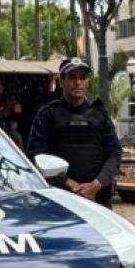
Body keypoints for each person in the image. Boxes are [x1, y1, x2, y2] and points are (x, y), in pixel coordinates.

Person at [26, 57, 122, 208]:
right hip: (60, 199)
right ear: (61, 81)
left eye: (82, 77)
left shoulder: (100, 115)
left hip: (97, 199)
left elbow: (115, 154)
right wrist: (69, 184)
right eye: (72, 77)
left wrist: (96, 184)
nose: (78, 83)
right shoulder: (48, 115)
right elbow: (36, 156)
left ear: (88, 82)